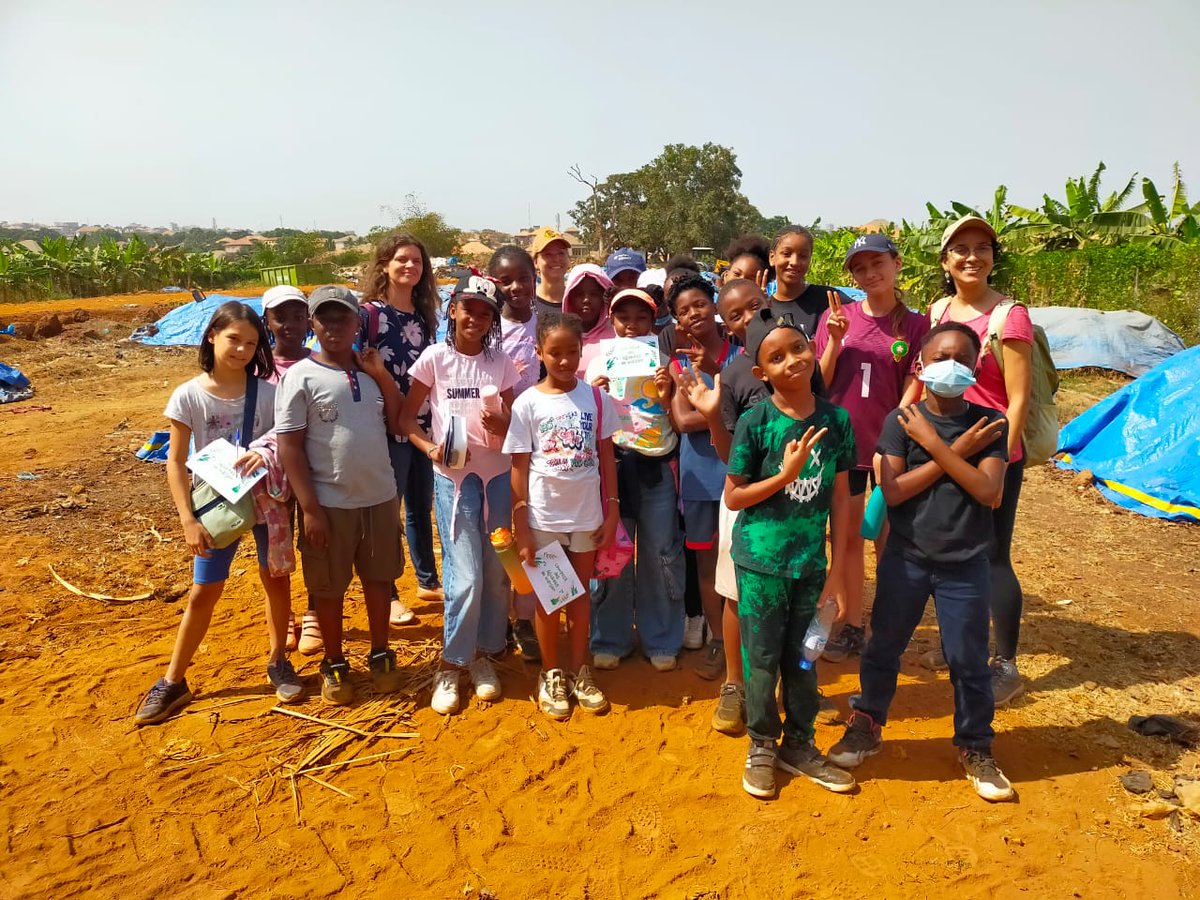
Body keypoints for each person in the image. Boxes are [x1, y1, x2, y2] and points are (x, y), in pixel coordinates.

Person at [829, 322, 1015, 802]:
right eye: (939, 357)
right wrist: (956, 453)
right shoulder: (901, 421)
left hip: (966, 563)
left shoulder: (990, 423)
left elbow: (988, 491)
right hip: (906, 558)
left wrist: (935, 445)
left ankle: (975, 745)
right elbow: (893, 491)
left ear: (976, 367)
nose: (950, 366)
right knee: (882, 647)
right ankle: (866, 724)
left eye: (961, 358)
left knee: (968, 659)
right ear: (920, 365)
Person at [135, 302, 301, 725]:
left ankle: (278, 660)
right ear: (211, 336)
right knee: (203, 591)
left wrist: (266, 453)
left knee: (276, 579)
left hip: (268, 501)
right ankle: (173, 680)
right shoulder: (188, 395)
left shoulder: (271, 393)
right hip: (215, 506)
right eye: (234, 339)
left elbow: (290, 440)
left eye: (251, 343)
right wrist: (187, 520)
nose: (242, 350)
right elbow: (175, 462)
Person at [725, 307, 856, 799]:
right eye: (776, 358)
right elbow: (734, 497)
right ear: (762, 373)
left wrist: (838, 572)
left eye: (798, 348)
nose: (792, 361)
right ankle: (762, 744)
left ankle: (799, 744)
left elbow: (841, 498)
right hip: (760, 563)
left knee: (804, 659)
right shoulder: (755, 421)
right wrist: (784, 476)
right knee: (761, 660)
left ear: (812, 350)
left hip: (810, 566)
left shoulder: (836, 420)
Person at [276, 286, 405, 705]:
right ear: (312, 324)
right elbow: (290, 447)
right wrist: (310, 509)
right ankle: (333, 661)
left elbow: (399, 421)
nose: (334, 326)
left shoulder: (370, 372)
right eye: (325, 318)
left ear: (357, 323)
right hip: (329, 504)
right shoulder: (301, 376)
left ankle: (381, 652)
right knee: (328, 587)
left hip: (380, 496)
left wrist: (381, 374)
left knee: (379, 578)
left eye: (343, 318)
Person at [401, 274, 518, 715]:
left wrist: (503, 425)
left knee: (497, 571)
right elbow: (405, 419)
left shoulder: (500, 362)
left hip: (498, 477)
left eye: (486, 312)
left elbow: (515, 423)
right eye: (468, 308)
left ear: (493, 320)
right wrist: (432, 449)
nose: (476, 318)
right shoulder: (435, 359)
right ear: (452, 310)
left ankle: (484, 655)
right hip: (454, 481)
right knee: (465, 575)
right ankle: (451, 663)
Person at [929, 216, 1032, 706]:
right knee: (948, 547)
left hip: (992, 452)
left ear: (993, 257)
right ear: (945, 260)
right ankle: (957, 645)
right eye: (961, 249)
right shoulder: (938, 311)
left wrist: (1001, 461)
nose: (972, 257)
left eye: (982, 248)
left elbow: (1018, 398)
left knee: (992, 556)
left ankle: (1006, 663)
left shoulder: (1009, 316)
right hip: (946, 447)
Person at [812, 234, 930, 663]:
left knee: (887, 541)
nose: (869, 274)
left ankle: (885, 632)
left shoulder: (915, 325)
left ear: (896, 264)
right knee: (846, 541)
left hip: (889, 451)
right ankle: (852, 624)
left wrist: (892, 437)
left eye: (877, 263)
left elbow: (915, 383)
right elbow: (820, 381)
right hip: (843, 448)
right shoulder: (836, 317)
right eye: (859, 268)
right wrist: (835, 340)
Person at [504, 311, 620, 720]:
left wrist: (612, 511)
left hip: (587, 516)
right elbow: (519, 467)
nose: (566, 360)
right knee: (551, 599)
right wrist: (521, 526)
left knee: (581, 596)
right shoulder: (527, 404)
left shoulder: (597, 400)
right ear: (539, 352)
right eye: (556, 353)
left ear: (582, 350)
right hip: (544, 518)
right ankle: (551, 673)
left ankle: (579, 670)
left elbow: (606, 457)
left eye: (573, 351)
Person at [586, 288, 683, 672]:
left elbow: (677, 416)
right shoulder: (597, 363)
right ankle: (610, 638)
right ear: (611, 320)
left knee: (660, 553)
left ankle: (661, 638)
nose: (632, 325)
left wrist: (667, 393)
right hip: (614, 466)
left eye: (641, 317)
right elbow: (585, 420)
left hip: (657, 465)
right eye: (623, 317)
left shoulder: (665, 363)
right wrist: (596, 394)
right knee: (613, 554)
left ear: (653, 321)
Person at [358, 233, 443, 629]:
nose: (410, 266)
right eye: (402, 260)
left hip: (422, 423)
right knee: (387, 512)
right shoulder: (369, 315)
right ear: (385, 265)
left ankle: (427, 582)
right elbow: (359, 365)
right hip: (384, 426)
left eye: (417, 261)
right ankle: (389, 593)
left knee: (420, 507)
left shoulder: (424, 317)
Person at [668, 275, 738, 681]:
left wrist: (711, 408)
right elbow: (681, 420)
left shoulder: (742, 355)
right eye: (683, 310)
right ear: (677, 321)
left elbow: (752, 411)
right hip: (697, 476)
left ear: (714, 306)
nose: (693, 313)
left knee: (741, 561)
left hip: (738, 475)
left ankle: (743, 641)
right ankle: (718, 639)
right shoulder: (678, 365)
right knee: (707, 562)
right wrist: (725, 411)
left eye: (699, 304)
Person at [488, 245, 542, 662]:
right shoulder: (487, 330)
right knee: (499, 535)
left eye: (524, 278)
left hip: (538, 448)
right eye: (505, 281)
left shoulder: (547, 325)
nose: (516, 287)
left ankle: (526, 617)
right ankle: (498, 618)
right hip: (493, 450)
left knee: (531, 534)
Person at [260, 285, 320, 655]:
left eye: (298, 316)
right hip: (272, 477)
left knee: (315, 541)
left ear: (309, 321)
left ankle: (314, 612)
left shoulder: (320, 363)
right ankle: (284, 616)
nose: (290, 324)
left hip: (315, 470)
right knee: (275, 546)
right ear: (266, 321)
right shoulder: (257, 368)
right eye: (280, 317)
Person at [768, 225, 848, 338]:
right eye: (786, 254)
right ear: (772, 257)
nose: (794, 262)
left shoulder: (830, 299)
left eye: (803, 256)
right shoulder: (763, 310)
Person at [561, 263, 615, 377]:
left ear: (604, 298)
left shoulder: (618, 337)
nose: (586, 300)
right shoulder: (560, 337)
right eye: (579, 294)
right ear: (569, 298)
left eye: (594, 294)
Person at [530, 227, 572, 319]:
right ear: (535, 262)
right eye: (548, 254)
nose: (556, 259)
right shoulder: (527, 304)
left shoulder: (578, 302)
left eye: (561, 253)